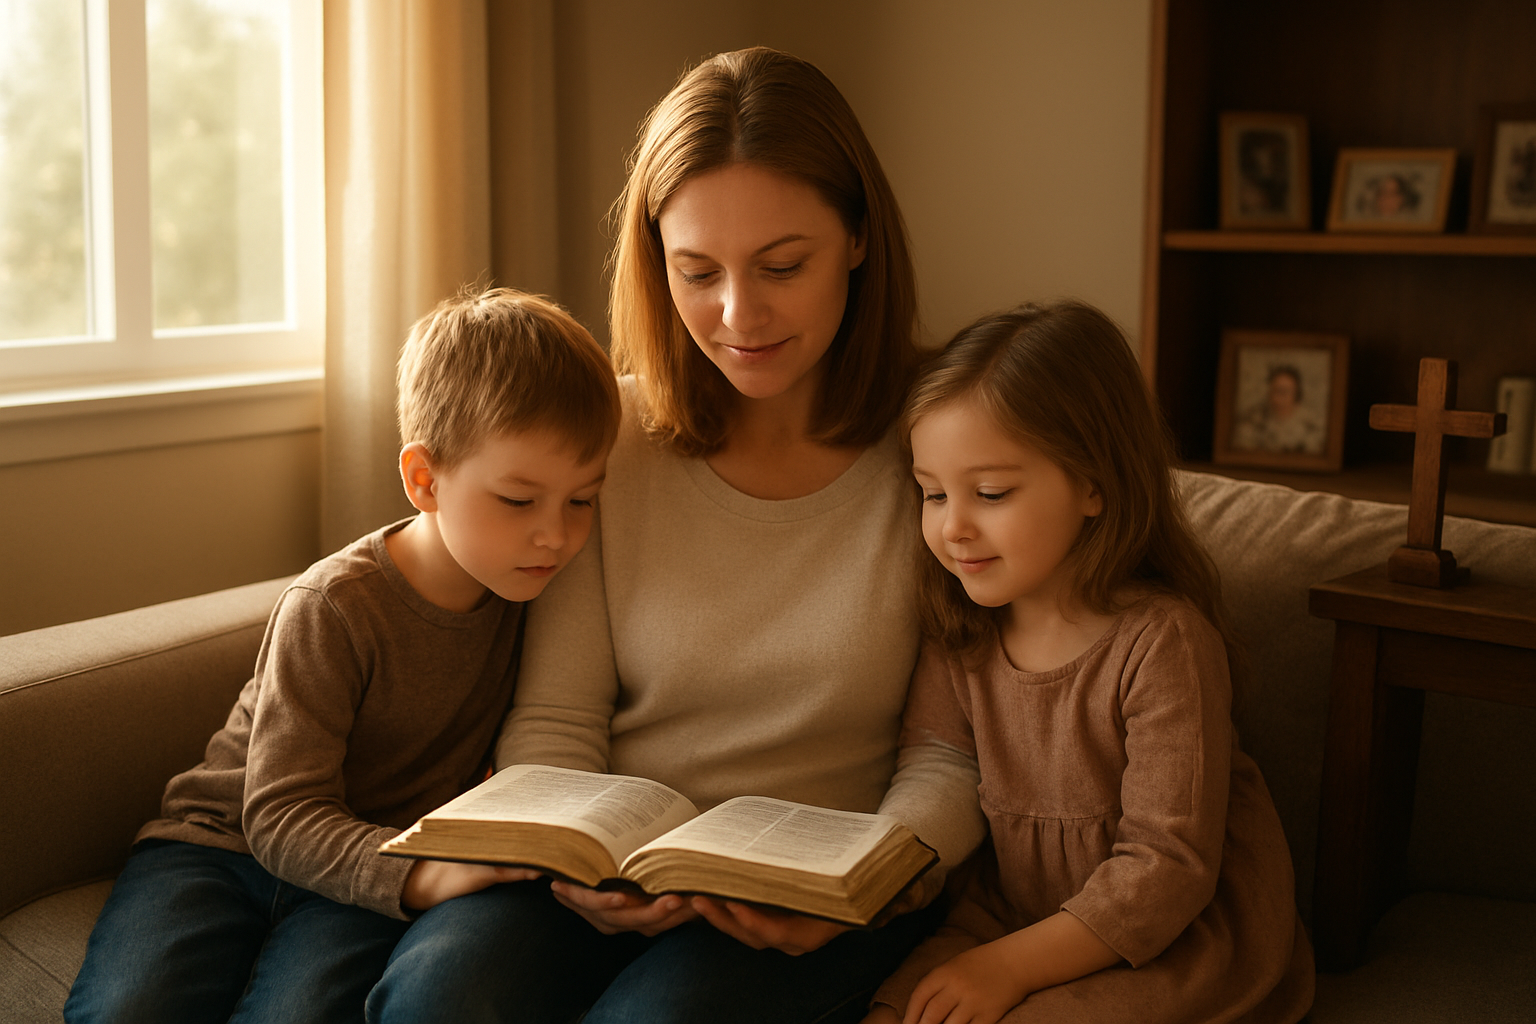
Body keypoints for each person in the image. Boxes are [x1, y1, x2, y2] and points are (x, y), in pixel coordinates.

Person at [367, 46, 985, 1024]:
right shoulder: (603, 438)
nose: (739, 314)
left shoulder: (946, 444)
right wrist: (575, 862)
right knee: (438, 997)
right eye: (697, 270)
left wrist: (880, 878)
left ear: (859, 239)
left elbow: (952, 753)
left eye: (784, 265)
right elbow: (559, 719)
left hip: (820, 894)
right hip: (616, 870)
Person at [64, 288, 622, 1024]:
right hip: (222, 851)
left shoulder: (542, 600)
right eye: (519, 500)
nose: (558, 535)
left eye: (581, 500)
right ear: (425, 480)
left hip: (366, 875)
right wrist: (424, 874)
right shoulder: (333, 606)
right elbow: (279, 814)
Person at [864, 301, 1314, 1024]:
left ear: (1094, 483)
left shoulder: (1163, 642)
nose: (953, 527)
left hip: (1168, 936)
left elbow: (1165, 870)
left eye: (991, 493)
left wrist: (1007, 969)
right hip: (1007, 917)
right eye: (933, 493)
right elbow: (931, 772)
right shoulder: (960, 634)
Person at [1232, 363, 1324, 455]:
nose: (1277, 398)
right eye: (1274, 391)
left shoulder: (1312, 425)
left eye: (1284, 392)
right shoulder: (1253, 420)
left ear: (1296, 394)